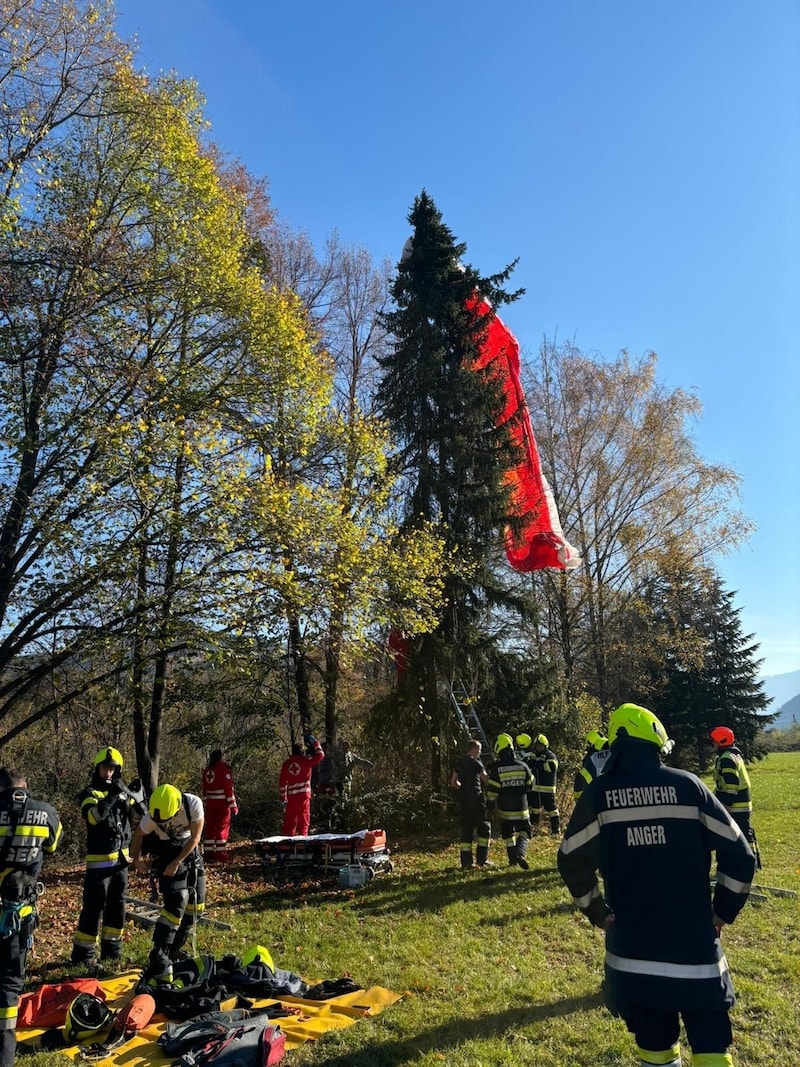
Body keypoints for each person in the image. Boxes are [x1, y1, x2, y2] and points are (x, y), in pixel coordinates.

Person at [558, 702, 756, 1067]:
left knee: (656, 1052)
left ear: (615, 744)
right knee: (713, 1051)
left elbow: (571, 858)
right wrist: (722, 912)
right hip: (696, 952)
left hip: (634, 956)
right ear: (656, 744)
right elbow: (741, 856)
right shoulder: (689, 786)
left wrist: (600, 914)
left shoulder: (599, 795)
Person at [0, 766, 61, 1066]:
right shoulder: (45, 812)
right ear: (24, 785)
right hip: (18, 915)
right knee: (9, 987)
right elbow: (52, 844)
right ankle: (4, 1055)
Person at [130, 784, 205, 983]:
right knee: (176, 900)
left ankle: (175, 952)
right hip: (167, 853)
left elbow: (195, 837)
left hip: (189, 852)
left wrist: (177, 862)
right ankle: (159, 953)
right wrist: (136, 859)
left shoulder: (193, 804)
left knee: (196, 906)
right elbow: (138, 834)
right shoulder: (153, 817)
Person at [72, 747, 138, 966]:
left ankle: (112, 952)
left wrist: (137, 797)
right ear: (97, 769)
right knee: (93, 908)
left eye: (112, 769)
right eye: (105, 768)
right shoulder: (89, 793)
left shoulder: (122, 792)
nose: (108, 773)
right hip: (99, 864)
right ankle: (83, 956)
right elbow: (93, 817)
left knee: (117, 907)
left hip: (121, 863)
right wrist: (112, 796)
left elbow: (139, 817)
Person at [484, 733, 534, 869]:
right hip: (522, 808)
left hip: (505, 810)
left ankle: (512, 859)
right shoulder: (523, 766)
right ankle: (520, 853)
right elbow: (531, 785)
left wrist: (489, 807)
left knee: (508, 834)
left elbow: (493, 792)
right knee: (526, 831)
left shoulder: (497, 769)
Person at [449, 739, 492, 870]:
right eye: (479, 749)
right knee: (484, 828)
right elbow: (485, 778)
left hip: (464, 800)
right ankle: (482, 860)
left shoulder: (460, 763)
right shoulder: (476, 763)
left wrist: (463, 788)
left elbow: (453, 783)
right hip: (477, 800)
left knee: (466, 831)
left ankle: (466, 863)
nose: (480, 752)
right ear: (473, 749)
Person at [709, 727, 753, 837]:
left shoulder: (726, 759)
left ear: (721, 741)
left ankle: (747, 854)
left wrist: (726, 804)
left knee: (738, 836)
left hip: (735, 805)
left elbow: (731, 785)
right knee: (743, 834)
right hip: (740, 803)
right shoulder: (732, 755)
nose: (713, 744)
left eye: (714, 741)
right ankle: (750, 853)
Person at [278, 734, 324, 836]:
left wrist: (283, 798)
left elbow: (282, 783)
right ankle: (302, 846)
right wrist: (316, 743)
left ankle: (287, 846)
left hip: (291, 799)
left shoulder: (286, 765)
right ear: (302, 751)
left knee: (289, 823)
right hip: (304, 798)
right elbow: (321, 755)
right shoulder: (306, 761)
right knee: (303, 823)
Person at [200, 749, 238, 864]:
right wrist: (233, 806)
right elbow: (228, 790)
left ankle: (208, 854)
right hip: (222, 805)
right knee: (222, 829)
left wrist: (207, 802)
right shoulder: (224, 770)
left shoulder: (207, 770)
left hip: (210, 805)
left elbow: (204, 790)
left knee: (210, 829)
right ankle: (220, 855)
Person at [528, 733, 560, 834]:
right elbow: (528, 766)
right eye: (537, 746)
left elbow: (552, 767)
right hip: (536, 788)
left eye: (541, 746)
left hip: (547, 788)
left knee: (552, 810)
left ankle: (556, 830)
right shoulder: (533, 755)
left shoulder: (550, 755)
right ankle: (534, 829)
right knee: (535, 809)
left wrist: (539, 765)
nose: (539, 748)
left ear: (545, 746)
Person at [572, 729, 611, 803]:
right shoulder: (618, 752)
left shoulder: (593, 758)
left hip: (599, 801)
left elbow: (581, 779)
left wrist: (579, 801)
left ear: (590, 742)